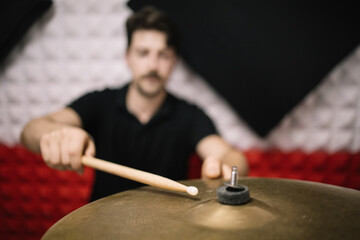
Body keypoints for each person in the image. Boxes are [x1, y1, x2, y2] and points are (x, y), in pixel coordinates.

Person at [21, 6, 248, 201]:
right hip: (101, 226)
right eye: (143, 53)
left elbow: (230, 156)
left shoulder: (189, 114)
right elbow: (30, 132)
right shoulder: (99, 102)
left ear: (174, 61)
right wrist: (56, 134)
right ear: (127, 57)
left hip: (168, 227)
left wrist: (226, 168)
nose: (152, 65)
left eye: (163, 55)